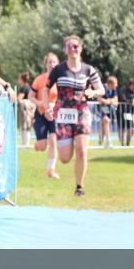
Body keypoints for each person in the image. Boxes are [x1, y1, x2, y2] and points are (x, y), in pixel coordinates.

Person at [43, 36, 104, 197]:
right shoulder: (59, 70)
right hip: (63, 114)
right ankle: (64, 160)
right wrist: (46, 106)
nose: (72, 49)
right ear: (65, 50)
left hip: (82, 112)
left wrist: (93, 92)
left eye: (75, 46)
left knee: (82, 151)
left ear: (81, 49)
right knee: (64, 158)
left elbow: (101, 90)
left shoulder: (88, 70)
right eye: (69, 46)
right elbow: (45, 88)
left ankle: (79, 187)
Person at [29, 52, 61, 179]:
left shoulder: (61, 80)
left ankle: (51, 170)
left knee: (53, 141)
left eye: (54, 62)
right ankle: (38, 145)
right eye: (50, 62)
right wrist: (40, 103)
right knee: (42, 146)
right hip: (41, 113)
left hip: (54, 114)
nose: (52, 64)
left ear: (58, 64)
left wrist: (54, 106)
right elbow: (30, 96)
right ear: (46, 64)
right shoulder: (40, 79)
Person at [118, 77, 134, 146]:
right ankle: (122, 145)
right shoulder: (124, 89)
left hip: (129, 112)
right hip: (121, 111)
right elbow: (123, 99)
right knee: (122, 128)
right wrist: (132, 101)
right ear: (132, 84)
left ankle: (128, 144)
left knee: (131, 128)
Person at [97, 75, 119, 148]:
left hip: (109, 109)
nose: (117, 85)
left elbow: (116, 100)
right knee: (106, 121)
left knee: (104, 125)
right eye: (115, 84)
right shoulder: (102, 88)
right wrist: (107, 101)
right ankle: (108, 142)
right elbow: (99, 99)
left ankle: (100, 142)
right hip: (101, 108)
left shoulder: (114, 89)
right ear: (110, 84)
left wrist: (108, 101)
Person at [17, 71, 36, 147]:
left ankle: (25, 144)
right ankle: (26, 144)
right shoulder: (29, 87)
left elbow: (19, 98)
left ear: (21, 79)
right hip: (31, 109)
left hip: (25, 109)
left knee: (24, 126)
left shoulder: (23, 88)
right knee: (28, 126)